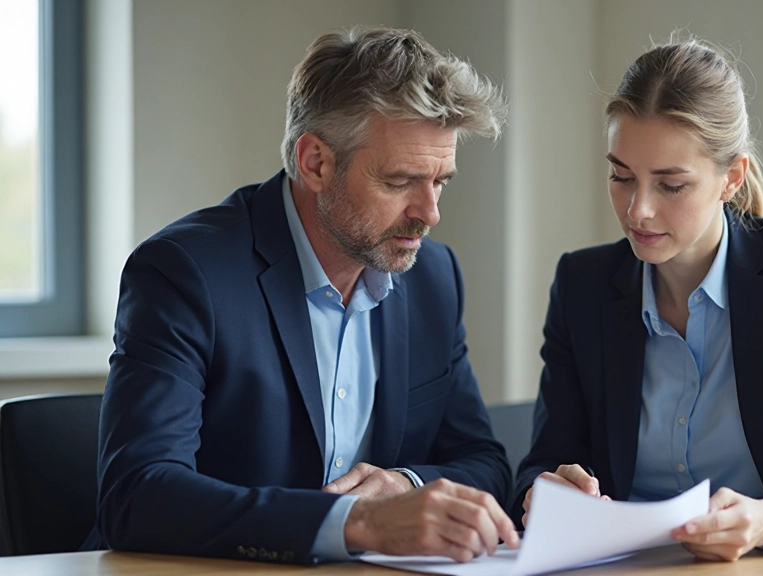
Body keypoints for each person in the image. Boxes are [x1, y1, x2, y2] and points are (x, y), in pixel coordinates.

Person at [90, 27, 519, 565]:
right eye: (399, 182)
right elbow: (138, 496)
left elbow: (483, 462)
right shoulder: (185, 273)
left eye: (441, 182)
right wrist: (356, 523)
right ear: (316, 162)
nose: (428, 213)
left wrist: (404, 485)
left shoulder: (433, 275)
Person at [512, 36, 763, 561]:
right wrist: (543, 492)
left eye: (671, 185)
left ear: (731, 177)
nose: (638, 211)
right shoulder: (581, 285)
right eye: (621, 176)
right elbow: (542, 462)